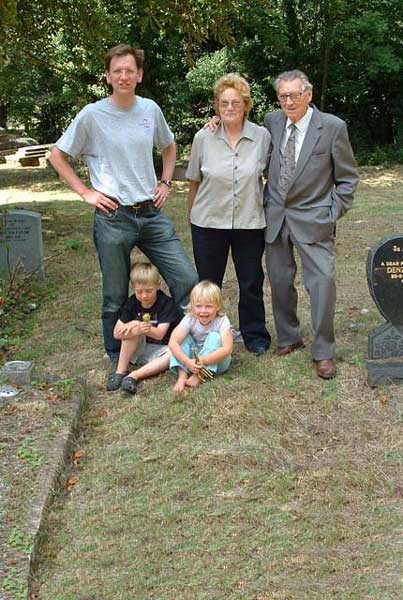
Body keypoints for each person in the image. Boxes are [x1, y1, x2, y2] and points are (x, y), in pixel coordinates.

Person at [49, 44, 198, 367]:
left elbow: (169, 147)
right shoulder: (92, 115)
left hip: (150, 213)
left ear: (139, 75)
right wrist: (86, 193)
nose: (124, 76)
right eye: (117, 71)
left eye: (130, 70)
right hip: (113, 217)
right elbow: (57, 156)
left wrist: (166, 181)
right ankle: (118, 352)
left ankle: (194, 338)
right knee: (115, 293)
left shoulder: (149, 110)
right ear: (108, 77)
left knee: (186, 277)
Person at [264, 69, 359, 379]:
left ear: (309, 94)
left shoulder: (332, 127)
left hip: (314, 219)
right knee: (279, 283)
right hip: (276, 217)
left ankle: (323, 351)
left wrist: (331, 213)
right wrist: (217, 124)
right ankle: (289, 338)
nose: (288, 102)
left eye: (294, 95)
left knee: (322, 284)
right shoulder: (272, 122)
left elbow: (347, 179)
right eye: (283, 96)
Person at [186, 73, 271, 356]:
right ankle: (205, 335)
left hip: (249, 222)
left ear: (246, 104)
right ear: (216, 106)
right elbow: (194, 182)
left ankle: (254, 335)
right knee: (209, 283)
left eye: (236, 102)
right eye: (224, 103)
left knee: (251, 282)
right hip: (208, 222)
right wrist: (192, 219)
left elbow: (271, 176)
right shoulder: (203, 137)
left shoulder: (262, 137)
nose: (230, 107)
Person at [107, 262, 182, 393]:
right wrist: (135, 327)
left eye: (149, 291)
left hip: (162, 349)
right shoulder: (132, 303)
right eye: (139, 291)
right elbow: (116, 333)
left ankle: (134, 376)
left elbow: (160, 334)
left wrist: (138, 324)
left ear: (158, 285)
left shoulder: (166, 303)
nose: (144, 296)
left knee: (175, 353)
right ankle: (120, 372)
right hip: (139, 347)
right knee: (132, 332)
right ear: (133, 288)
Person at [169, 281, 233, 392]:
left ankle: (199, 375)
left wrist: (201, 362)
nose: (203, 311)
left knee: (214, 337)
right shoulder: (190, 318)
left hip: (217, 362)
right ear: (192, 306)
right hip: (193, 361)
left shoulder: (222, 320)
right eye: (198, 306)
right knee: (183, 339)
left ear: (218, 306)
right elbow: (172, 342)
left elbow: (227, 349)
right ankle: (182, 376)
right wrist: (187, 362)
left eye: (209, 306)